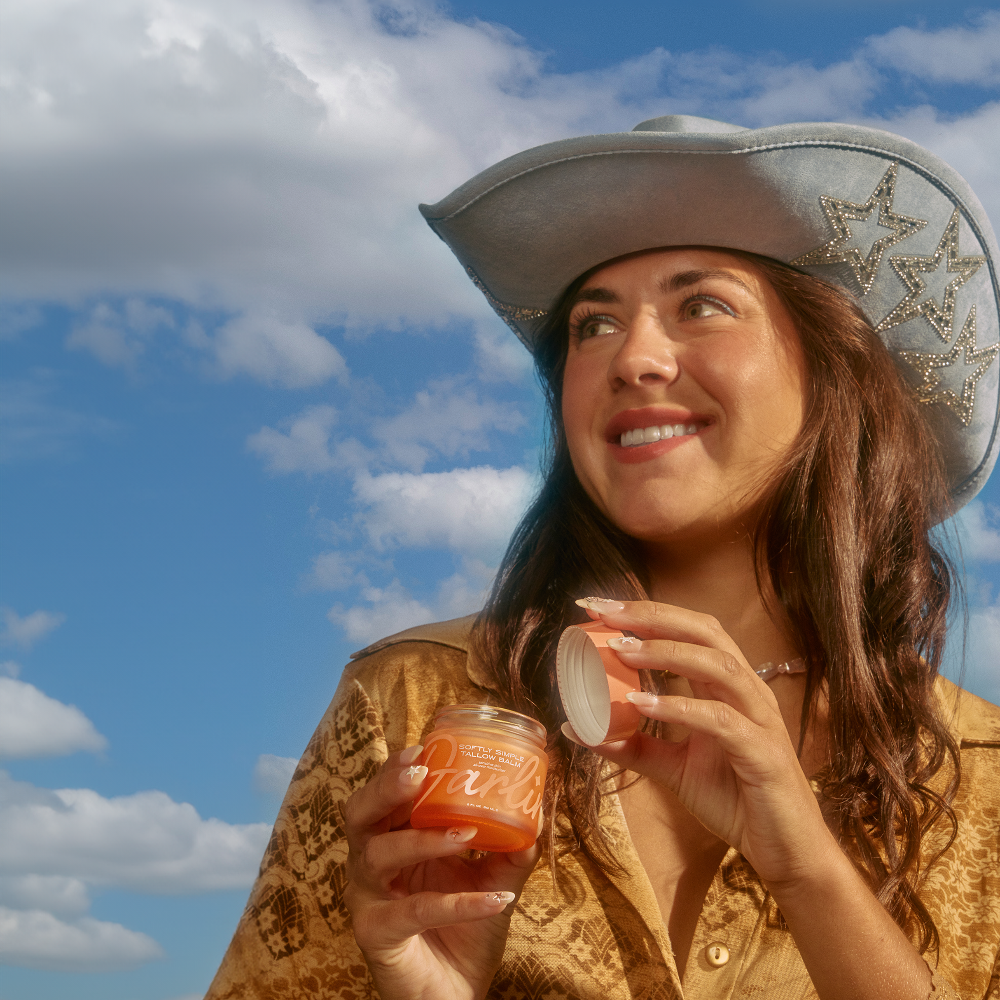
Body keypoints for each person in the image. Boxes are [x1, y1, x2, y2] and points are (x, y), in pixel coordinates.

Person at [205, 116, 1000, 1000]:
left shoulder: (984, 772)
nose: (634, 358)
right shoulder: (418, 703)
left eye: (702, 305)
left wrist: (810, 871)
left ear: (838, 373)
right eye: (593, 325)